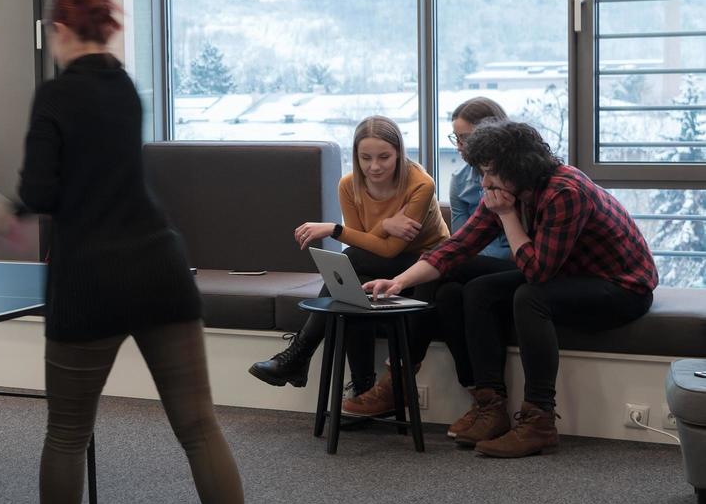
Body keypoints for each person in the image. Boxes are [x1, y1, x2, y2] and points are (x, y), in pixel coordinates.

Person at [0, 0, 257, 504]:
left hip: (89, 279)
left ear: (59, 30)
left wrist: (12, 206)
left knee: (67, 433)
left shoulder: (55, 94)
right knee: (198, 426)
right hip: (159, 266)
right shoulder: (126, 90)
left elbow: (44, 187)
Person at [365, 120, 657, 458]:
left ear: (516, 167)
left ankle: (539, 422)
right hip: (567, 274)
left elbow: (536, 271)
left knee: (530, 297)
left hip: (622, 288)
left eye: (489, 172)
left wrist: (506, 215)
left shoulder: (564, 192)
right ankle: (487, 403)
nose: (484, 182)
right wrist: (400, 281)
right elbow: (457, 247)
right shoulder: (510, 190)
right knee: (465, 282)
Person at [248, 116, 449, 417]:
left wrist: (334, 228)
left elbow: (389, 248)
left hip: (424, 264)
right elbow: (369, 243)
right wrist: (386, 224)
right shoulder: (348, 185)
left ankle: (298, 355)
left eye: (384, 157)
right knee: (352, 287)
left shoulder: (420, 184)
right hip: (379, 262)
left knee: (351, 262)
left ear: (399, 153)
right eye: (365, 158)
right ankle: (362, 389)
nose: (374, 166)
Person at [433, 97, 518, 442]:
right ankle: (485, 399)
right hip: (477, 264)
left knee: (448, 274)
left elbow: (520, 251)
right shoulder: (462, 182)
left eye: (467, 138)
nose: (462, 147)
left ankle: (401, 373)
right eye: (457, 139)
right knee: (448, 292)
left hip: (517, 267)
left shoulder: (517, 175)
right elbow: (462, 240)